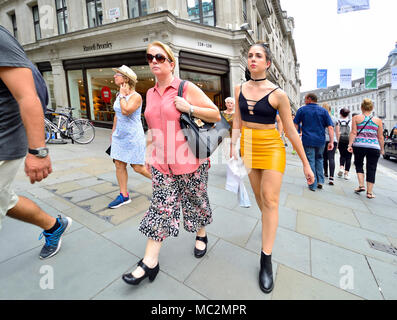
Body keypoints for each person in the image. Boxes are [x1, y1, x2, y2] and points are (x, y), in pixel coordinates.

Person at [122, 41, 221, 285]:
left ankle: (201, 233)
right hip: (161, 163)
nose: (153, 61)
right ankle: (149, 262)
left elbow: (216, 115)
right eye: (149, 57)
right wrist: (145, 150)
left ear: (171, 63)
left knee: (196, 201)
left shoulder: (185, 88)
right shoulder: (149, 93)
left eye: (159, 57)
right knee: (161, 207)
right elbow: (154, 125)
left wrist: (190, 108)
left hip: (190, 161)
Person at [231, 42, 314, 294]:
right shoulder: (238, 89)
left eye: (258, 56)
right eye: (250, 55)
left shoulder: (278, 94)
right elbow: (237, 120)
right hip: (248, 145)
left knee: (270, 198)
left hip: (271, 146)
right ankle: (268, 222)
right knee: (259, 198)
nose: (252, 59)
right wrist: (231, 146)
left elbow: (289, 129)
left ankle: (265, 259)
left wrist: (305, 163)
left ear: (267, 63)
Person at [0, 26, 72, 260]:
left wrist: (38, 152)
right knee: (7, 201)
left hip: (4, 141)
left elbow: (27, 95)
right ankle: (53, 225)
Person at [108, 65, 151, 209]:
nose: (114, 76)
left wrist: (122, 95)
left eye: (118, 74)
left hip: (133, 136)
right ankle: (123, 195)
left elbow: (126, 111)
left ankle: (163, 184)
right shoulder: (118, 95)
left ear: (126, 79)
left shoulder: (136, 96)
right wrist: (113, 133)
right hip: (120, 136)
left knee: (137, 167)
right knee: (119, 164)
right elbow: (117, 115)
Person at [294, 93, 334, 191]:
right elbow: (330, 127)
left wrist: (295, 136)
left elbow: (295, 124)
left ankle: (312, 183)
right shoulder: (324, 111)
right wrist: (331, 141)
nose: (304, 101)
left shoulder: (302, 110)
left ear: (309, 99)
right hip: (320, 140)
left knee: (310, 160)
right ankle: (320, 180)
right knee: (319, 159)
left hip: (308, 139)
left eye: (305, 99)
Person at [348, 99, 384, 199]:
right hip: (374, 147)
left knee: (359, 164)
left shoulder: (356, 118)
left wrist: (350, 145)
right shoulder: (378, 121)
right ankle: (369, 192)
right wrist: (382, 149)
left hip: (359, 145)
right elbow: (380, 136)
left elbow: (354, 133)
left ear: (361, 107)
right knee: (371, 168)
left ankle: (361, 185)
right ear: (372, 108)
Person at [322, 103, 339, 185]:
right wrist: (337, 142)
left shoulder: (321, 118)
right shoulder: (335, 119)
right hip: (333, 140)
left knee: (324, 157)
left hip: (323, 140)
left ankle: (325, 172)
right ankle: (331, 177)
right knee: (331, 158)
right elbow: (337, 132)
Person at [337, 108, 352, 180]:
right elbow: (353, 133)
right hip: (349, 140)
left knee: (342, 155)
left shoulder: (338, 121)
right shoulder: (350, 122)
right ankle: (346, 174)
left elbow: (337, 132)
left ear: (340, 114)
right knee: (348, 157)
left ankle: (341, 167)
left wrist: (337, 143)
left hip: (341, 140)